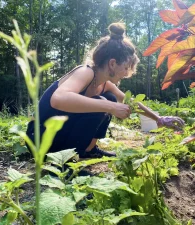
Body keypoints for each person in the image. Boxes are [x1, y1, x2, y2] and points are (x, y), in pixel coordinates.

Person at [26, 22, 184, 159]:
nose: (127, 74)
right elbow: (58, 98)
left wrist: (158, 119)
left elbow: (131, 103)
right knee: (104, 102)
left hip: (56, 136)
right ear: (113, 63)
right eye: (126, 68)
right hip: (40, 140)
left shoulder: (104, 83)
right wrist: (111, 107)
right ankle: (65, 165)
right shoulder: (85, 72)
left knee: (109, 98)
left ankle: (89, 149)